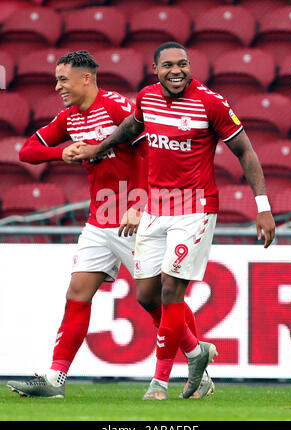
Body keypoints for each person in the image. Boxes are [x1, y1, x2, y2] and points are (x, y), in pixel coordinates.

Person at [71, 42, 276, 401]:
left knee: (170, 289)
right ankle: (197, 354)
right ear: (156, 69)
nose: (176, 70)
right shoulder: (147, 97)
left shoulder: (211, 103)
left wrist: (263, 206)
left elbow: (245, 150)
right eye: (168, 65)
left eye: (182, 63)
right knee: (147, 296)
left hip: (195, 209)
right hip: (155, 210)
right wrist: (96, 147)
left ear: (190, 66)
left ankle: (159, 384)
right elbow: (130, 127)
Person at [7, 50, 211, 399]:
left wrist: (142, 203)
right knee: (77, 294)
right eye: (57, 80)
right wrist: (62, 152)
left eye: (63, 79)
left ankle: (196, 361)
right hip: (99, 222)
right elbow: (26, 151)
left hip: (136, 221)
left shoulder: (117, 108)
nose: (58, 87)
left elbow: (154, 153)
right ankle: (56, 379)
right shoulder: (70, 118)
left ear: (86, 78)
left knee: (158, 301)